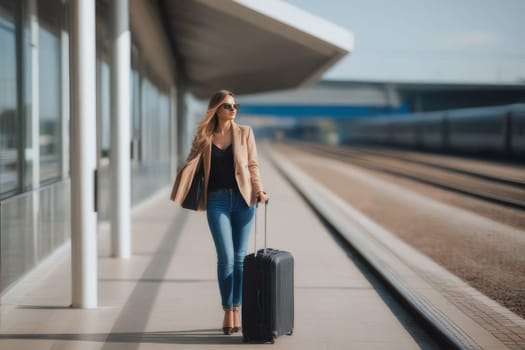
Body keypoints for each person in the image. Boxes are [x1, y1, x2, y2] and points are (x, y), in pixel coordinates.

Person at [171, 90, 268, 335]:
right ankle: (228, 310)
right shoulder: (204, 136)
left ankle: (237, 307)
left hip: (243, 200)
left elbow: (253, 166)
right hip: (216, 202)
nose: (233, 109)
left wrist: (259, 191)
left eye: (236, 104)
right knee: (225, 257)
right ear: (216, 109)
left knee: (239, 258)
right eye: (228, 106)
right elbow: (192, 163)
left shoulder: (245, 133)